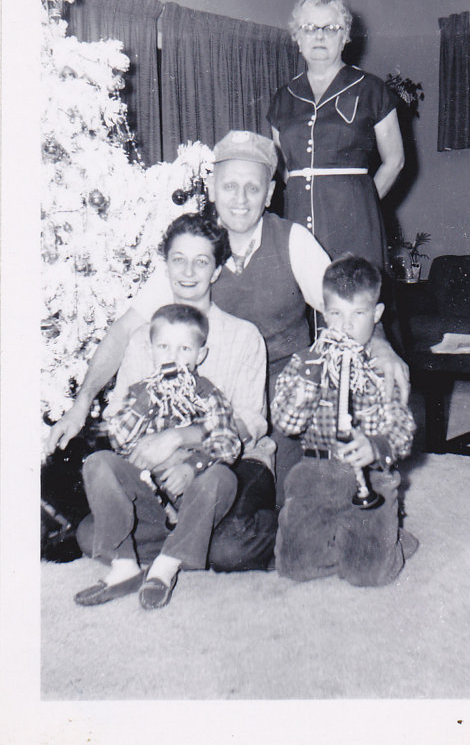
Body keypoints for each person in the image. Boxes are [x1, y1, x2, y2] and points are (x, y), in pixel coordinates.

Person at [48, 131, 409, 508]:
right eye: (230, 186)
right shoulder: (195, 249)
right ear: (212, 188)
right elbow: (124, 329)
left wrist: (381, 344)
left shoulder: (292, 240)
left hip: (286, 390)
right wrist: (81, 401)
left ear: (269, 194)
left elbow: (344, 303)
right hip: (211, 394)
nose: (240, 199)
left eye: (252, 188)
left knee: (300, 500)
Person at [73, 214, 277, 573]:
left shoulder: (244, 335)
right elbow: (123, 418)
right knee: (91, 536)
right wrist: (155, 453)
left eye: (201, 261)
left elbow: (249, 423)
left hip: (232, 463)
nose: (188, 272)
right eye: (178, 260)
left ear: (216, 270)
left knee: (230, 551)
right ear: (165, 265)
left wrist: (179, 439)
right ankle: (185, 539)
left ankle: (216, 534)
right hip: (157, 469)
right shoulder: (144, 340)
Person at [75, 303, 242, 609]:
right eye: (163, 347)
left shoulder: (208, 394)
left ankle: (167, 564)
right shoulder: (140, 392)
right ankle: (124, 566)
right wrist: (147, 401)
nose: (173, 357)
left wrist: (193, 465)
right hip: (149, 498)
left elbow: (230, 444)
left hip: (193, 497)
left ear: (199, 355)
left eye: (184, 349)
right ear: (151, 350)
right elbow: (121, 441)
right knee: (98, 462)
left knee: (222, 477)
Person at [271, 255, 418, 587]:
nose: (346, 326)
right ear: (324, 316)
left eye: (359, 314)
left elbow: (403, 430)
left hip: (369, 476)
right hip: (314, 472)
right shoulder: (305, 362)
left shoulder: (382, 369)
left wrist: (376, 446)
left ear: (377, 315)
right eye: (336, 314)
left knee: (368, 575)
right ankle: (354, 535)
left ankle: (389, 538)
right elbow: (286, 423)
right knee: (294, 567)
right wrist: (310, 379)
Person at [268, 0, 405, 269]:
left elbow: (395, 161)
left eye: (331, 28)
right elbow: (284, 167)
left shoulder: (371, 90)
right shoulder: (283, 98)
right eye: (309, 28)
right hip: (298, 219)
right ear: (297, 37)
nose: (319, 36)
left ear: (345, 38)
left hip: (355, 225)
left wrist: (361, 206)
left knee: (352, 301)